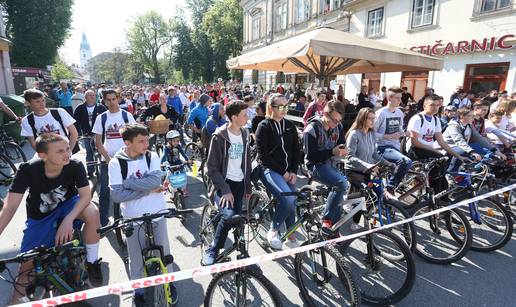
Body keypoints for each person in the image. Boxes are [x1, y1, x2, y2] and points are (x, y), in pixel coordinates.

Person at [0, 134, 102, 304]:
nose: (67, 154)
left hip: (69, 206)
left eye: (68, 149)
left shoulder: (75, 165)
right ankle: (15, 302)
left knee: (93, 212)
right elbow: (10, 207)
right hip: (41, 217)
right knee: (26, 269)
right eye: (60, 151)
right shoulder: (28, 170)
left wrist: (69, 220)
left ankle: (92, 263)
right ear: (42, 155)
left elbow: (85, 196)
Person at [108, 124, 178, 306]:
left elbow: (156, 180)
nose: (146, 144)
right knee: (136, 258)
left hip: (157, 214)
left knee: (165, 253)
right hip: (133, 218)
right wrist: (147, 191)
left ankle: (169, 283)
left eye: (147, 140)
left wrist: (129, 184)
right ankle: (138, 291)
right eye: (141, 141)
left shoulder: (151, 156)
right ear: (127, 142)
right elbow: (116, 195)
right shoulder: (116, 163)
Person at [202, 101, 252, 265]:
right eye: (244, 114)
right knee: (229, 216)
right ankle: (213, 249)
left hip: (239, 184)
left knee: (238, 219)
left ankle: (242, 251)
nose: (247, 117)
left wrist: (248, 186)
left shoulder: (244, 134)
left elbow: (247, 162)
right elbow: (211, 168)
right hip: (222, 184)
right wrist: (224, 189)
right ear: (234, 117)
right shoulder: (219, 137)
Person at [255, 94, 300, 250]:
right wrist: (284, 173)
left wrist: (293, 171)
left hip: (289, 171)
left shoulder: (290, 125)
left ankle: (291, 235)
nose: (283, 110)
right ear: (271, 108)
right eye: (280, 106)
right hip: (269, 169)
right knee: (287, 199)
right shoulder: (264, 126)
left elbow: (296, 150)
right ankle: (273, 230)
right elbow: (264, 157)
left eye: (286, 106)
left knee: (292, 200)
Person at [303, 100, 349, 236]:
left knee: (339, 197)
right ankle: (327, 219)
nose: (335, 124)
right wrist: (332, 152)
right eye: (333, 120)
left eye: (338, 120)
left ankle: (333, 231)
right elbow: (311, 157)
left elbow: (341, 143)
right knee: (341, 184)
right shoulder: (311, 129)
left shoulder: (338, 126)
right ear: (325, 114)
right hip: (315, 165)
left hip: (332, 163)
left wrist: (343, 149)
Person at [92, 89, 136, 227]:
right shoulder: (102, 118)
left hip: (127, 159)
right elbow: (98, 142)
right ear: (104, 101)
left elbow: (135, 136)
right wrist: (108, 158)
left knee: (131, 187)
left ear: (118, 99)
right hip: (108, 159)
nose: (111, 102)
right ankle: (103, 221)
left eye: (113, 99)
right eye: (108, 100)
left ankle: (132, 215)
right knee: (105, 191)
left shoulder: (126, 116)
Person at [406, 95, 466, 192]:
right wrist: (434, 150)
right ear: (424, 106)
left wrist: (458, 156)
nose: (435, 108)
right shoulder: (417, 119)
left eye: (438, 105)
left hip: (428, 150)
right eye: (432, 105)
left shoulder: (435, 119)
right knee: (439, 163)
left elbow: (441, 141)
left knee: (443, 164)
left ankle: (441, 194)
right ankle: (434, 193)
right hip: (415, 150)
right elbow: (415, 142)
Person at [443, 108, 505, 177]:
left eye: (473, 115)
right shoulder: (454, 126)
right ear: (462, 116)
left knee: (487, 151)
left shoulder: (469, 125)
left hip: (460, 146)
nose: (473, 118)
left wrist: (495, 150)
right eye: (470, 116)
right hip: (446, 147)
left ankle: (476, 172)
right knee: (463, 151)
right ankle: (451, 174)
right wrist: (471, 152)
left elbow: (480, 138)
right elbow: (459, 140)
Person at [374, 86, 412, 196]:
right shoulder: (381, 113)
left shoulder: (399, 113)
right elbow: (371, 133)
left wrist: (405, 133)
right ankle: (390, 188)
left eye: (401, 98)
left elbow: (399, 130)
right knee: (406, 161)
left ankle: (387, 201)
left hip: (395, 148)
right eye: (398, 98)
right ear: (389, 98)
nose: (400, 100)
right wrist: (387, 136)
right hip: (382, 148)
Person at [73, 90, 107, 178]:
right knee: (89, 152)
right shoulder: (80, 108)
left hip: (99, 134)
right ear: (85, 97)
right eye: (90, 95)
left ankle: (103, 170)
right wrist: (78, 134)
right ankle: (90, 172)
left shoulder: (101, 107)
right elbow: (75, 123)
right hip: (86, 133)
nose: (93, 97)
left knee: (101, 151)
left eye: (94, 95)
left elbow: (107, 120)